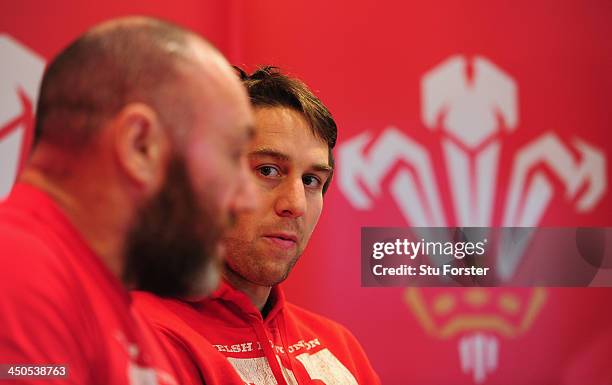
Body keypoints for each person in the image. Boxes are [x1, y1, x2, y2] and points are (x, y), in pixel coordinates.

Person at [0, 17, 257, 384]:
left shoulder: (119, 314)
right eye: (233, 155)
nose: (247, 199)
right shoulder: (17, 272)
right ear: (140, 146)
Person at [134, 67, 381, 384]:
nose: (295, 204)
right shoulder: (139, 336)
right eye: (268, 171)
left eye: (310, 180)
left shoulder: (338, 345)